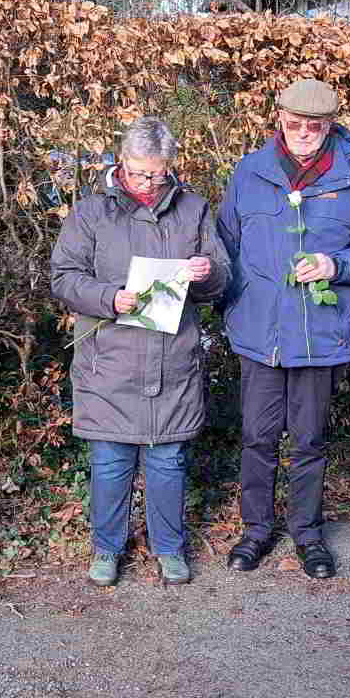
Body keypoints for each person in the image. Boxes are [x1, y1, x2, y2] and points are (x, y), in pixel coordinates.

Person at [217, 79, 350, 579]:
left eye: (314, 127)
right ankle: (255, 531)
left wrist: (336, 265)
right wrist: (229, 310)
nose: (303, 134)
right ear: (279, 118)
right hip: (259, 335)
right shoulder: (250, 171)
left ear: (329, 126)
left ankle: (308, 535)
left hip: (320, 333)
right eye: (293, 124)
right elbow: (224, 247)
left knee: (311, 439)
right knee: (256, 437)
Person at [50, 117, 231, 587]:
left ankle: (169, 549)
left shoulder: (193, 209)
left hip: (173, 359)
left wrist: (206, 271)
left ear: (170, 167)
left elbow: (223, 277)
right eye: (138, 173)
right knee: (110, 462)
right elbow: (63, 277)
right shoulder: (91, 212)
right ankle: (107, 549)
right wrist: (109, 297)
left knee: (168, 460)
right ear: (121, 163)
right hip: (109, 360)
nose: (148, 183)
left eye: (157, 173)